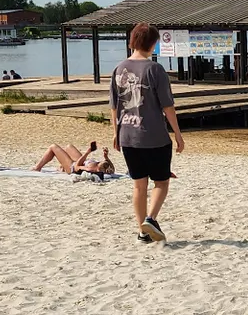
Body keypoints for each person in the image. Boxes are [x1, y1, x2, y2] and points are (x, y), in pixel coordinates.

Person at [112, 20, 184, 242]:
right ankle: (151, 219)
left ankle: (142, 231)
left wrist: (115, 134)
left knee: (138, 184)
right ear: (153, 44)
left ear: (133, 41)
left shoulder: (119, 69)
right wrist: (178, 134)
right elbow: (167, 106)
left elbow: (114, 107)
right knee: (161, 182)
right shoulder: (155, 69)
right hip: (153, 136)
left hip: (128, 135)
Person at [35, 140, 115, 177]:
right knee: (68, 147)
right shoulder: (102, 166)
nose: (107, 165)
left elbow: (77, 166)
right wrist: (106, 157)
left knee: (53, 147)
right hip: (83, 161)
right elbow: (112, 168)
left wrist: (87, 152)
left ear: (98, 169)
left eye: (105, 165)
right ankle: (62, 167)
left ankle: (37, 168)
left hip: (72, 167)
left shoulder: (90, 169)